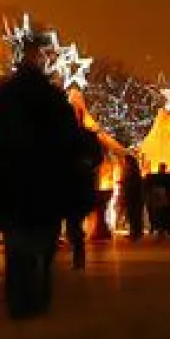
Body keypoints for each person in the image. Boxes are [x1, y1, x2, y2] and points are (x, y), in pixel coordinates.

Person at [0, 34, 79, 319]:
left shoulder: (3, 95)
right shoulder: (53, 97)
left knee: (16, 243)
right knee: (43, 240)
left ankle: (18, 299)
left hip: (13, 179)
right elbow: (68, 139)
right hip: (45, 179)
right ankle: (41, 293)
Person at [65, 107, 105, 270]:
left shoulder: (86, 137)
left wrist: (87, 164)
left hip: (78, 185)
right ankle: (77, 249)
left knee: (74, 221)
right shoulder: (62, 136)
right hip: (70, 184)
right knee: (73, 222)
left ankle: (78, 253)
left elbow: (98, 157)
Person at [145, 163, 170, 239]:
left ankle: (161, 229)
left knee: (161, 213)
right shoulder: (166, 177)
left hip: (161, 198)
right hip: (162, 198)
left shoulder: (158, 177)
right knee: (162, 213)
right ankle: (162, 229)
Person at [120, 153, 145, 242]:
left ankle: (135, 233)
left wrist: (124, 183)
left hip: (133, 196)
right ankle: (135, 232)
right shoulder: (134, 171)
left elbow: (131, 184)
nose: (124, 163)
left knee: (133, 215)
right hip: (134, 196)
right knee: (134, 215)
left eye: (125, 161)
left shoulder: (131, 171)